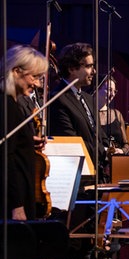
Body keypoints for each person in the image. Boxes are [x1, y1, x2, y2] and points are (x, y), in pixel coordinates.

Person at [0, 45, 48, 221]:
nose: (36, 84)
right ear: (16, 71)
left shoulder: (13, 104)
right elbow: (6, 159)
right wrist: (17, 206)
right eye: (34, 77)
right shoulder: (7, 106)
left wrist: (27, 141)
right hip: (12, 201)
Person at [49, 42, 109, 181]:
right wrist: (104, 151)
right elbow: (72, 143)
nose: (93, 71)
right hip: (78, 178)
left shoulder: (88, 99)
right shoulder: (58, 99)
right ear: (71, 69)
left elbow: (100, 134)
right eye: (88, 66)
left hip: (98, 175)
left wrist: (112, 148)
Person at [97, 75, 129, 155]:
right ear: (97, 89)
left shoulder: (117, 114)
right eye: (109, 90)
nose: (112, 94)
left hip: (116, 161)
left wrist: (122, 151)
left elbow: (126, 144)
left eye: (114, 91)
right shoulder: (89, 113)